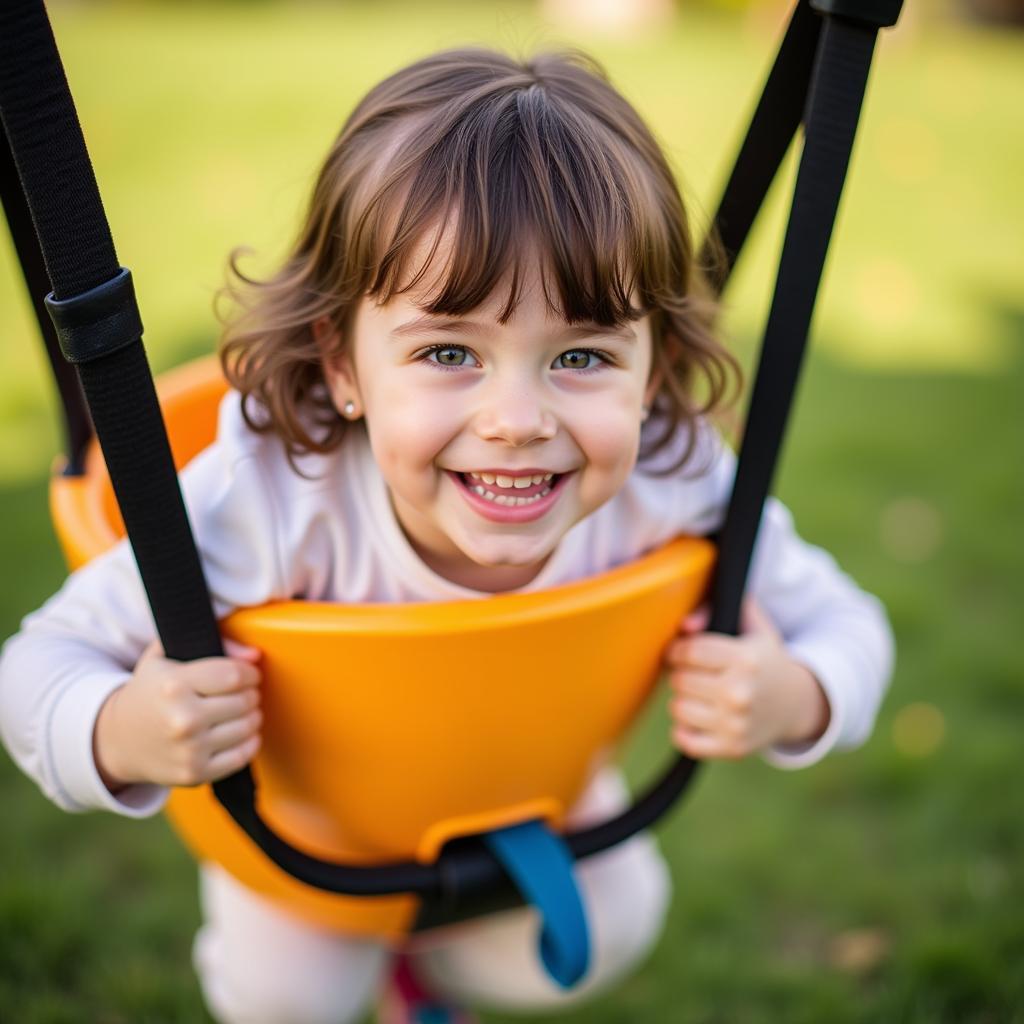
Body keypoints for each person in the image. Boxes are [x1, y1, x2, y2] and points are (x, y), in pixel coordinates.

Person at [0, 47, 893, 1024]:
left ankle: (419, 974)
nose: (517, 418)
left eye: (584, 354)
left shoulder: (672, 471)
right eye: (450, 351)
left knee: (617, 918)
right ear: (341, 364)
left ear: (654, 367)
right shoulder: (268, 492)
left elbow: (847, 622)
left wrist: (796, 694)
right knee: (285, 1002)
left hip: (519, 790)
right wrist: (117, 730)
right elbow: (38, 662)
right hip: (309, 835)